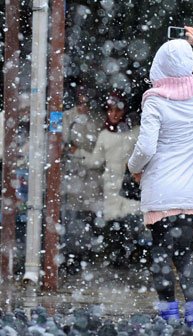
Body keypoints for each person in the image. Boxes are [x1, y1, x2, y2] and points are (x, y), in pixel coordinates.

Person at [127, 26, 193, 327]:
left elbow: (145, 147)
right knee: (183, 255)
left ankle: (167, 314)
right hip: (191, 192)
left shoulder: (155, 100)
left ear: (159, 65)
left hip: (160, 190)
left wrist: (133, 168)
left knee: (160, 253)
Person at [72, 90, 142, 269]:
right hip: (112, 184)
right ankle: (119, 258)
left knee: (133, 218)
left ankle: (132, 256)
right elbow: (96, 161)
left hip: (131, 184)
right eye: (110, 111)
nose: (114, 114)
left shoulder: (135, 132)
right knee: (114, 221)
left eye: (118, 111)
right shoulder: (105, 134)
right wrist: (78, 153)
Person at [61, 84, 103, 274]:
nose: (83, 97)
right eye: (80, 93)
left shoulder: (97, 118)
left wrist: (82, 153)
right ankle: (72, 255)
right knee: (72, 217)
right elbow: (62, 142)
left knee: (88, 216)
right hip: (73, 174)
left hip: (92, 176)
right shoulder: (67, 116)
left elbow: (100, 150)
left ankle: (84, 254)